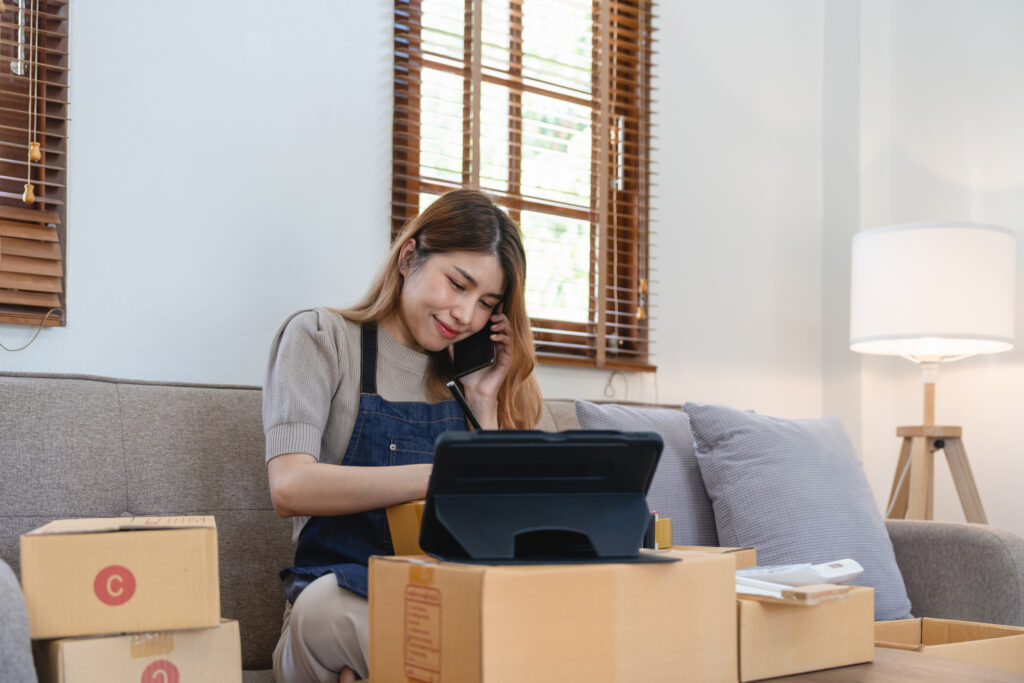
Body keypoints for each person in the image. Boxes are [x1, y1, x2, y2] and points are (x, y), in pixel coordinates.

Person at [263, 189, 543, 683]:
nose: (464, 314)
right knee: (327, 606)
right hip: (339, 603)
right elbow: (290, 487)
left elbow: (500, 531)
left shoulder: (471, 384)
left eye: (486, 304)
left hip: (447, 603)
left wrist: (483, 403)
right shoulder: (320, 337)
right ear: (409, 255)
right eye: (458, 284)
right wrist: (442, 475)